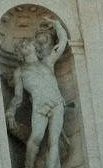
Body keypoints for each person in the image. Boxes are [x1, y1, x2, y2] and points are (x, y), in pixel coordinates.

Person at [5, 20, 72, 168]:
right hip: (39, 105)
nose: (24, 45)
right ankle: (28, 165)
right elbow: (18, 97)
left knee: (53, 141)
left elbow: (62, 42)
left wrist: (57, 24)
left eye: (26, 43)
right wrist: (10, 111)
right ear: (19, 54)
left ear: (34, 46)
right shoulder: (20, 72)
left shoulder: (47, 62)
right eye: (21, 46)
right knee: (35, 138)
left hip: (56, 103)